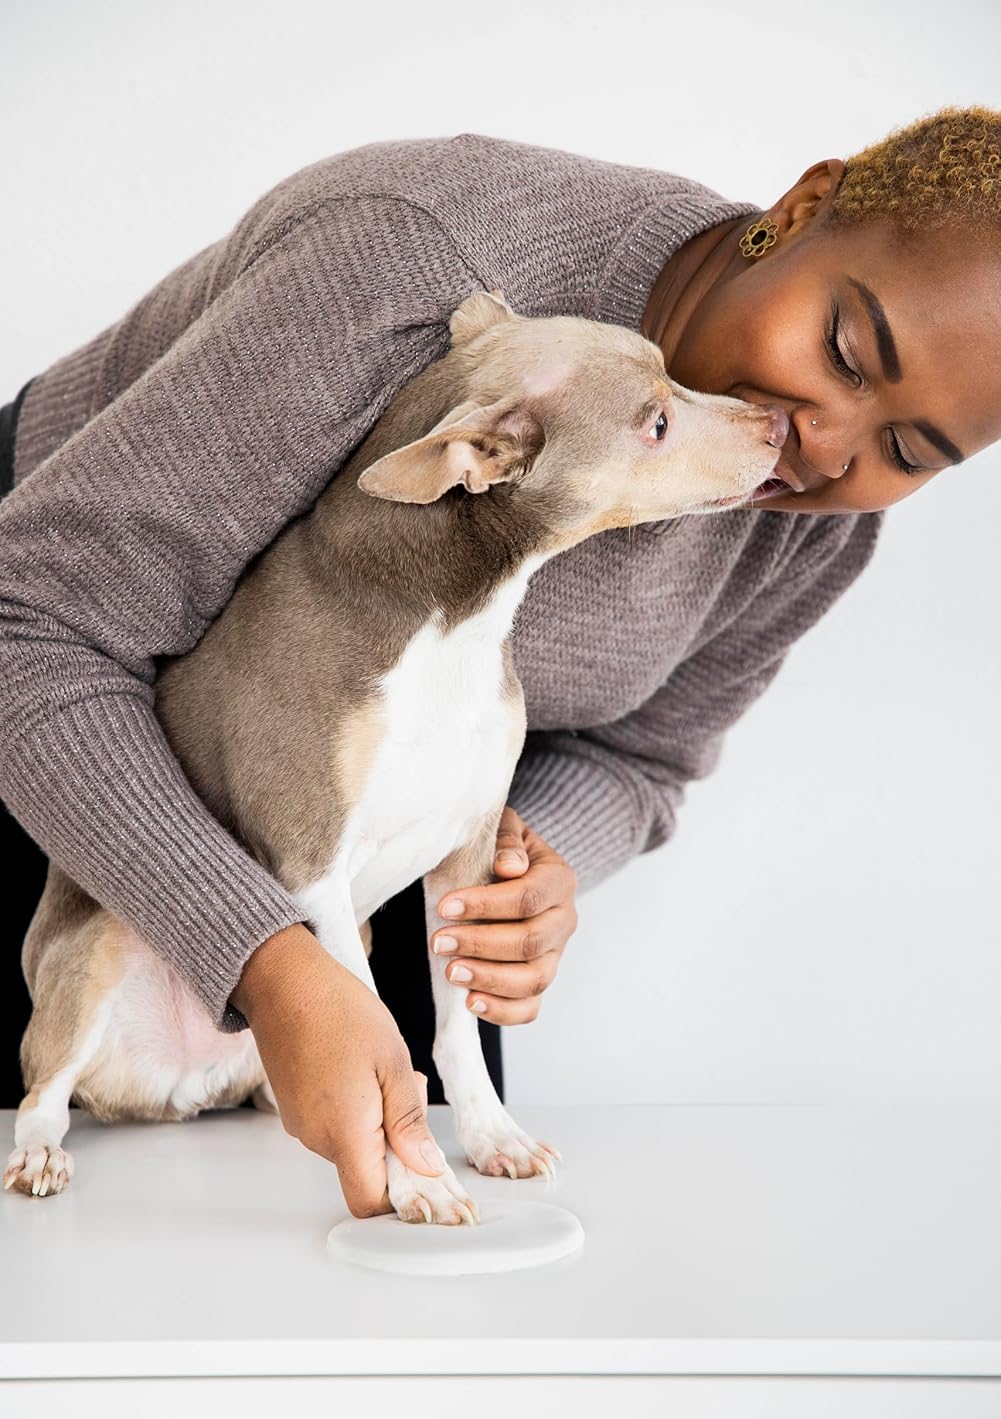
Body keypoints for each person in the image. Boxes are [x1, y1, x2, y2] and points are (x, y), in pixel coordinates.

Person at [2, 106, 998, 1216]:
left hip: (359, 874)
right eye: (844, 351)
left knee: (410, 1287)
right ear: (799, 211)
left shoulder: (812, 528)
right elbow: (29, 628)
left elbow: (645, 756)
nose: (820, 443)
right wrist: (263, 959)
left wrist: (534, 876)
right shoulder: (412, 258)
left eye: (905, 451)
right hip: (65, 736)